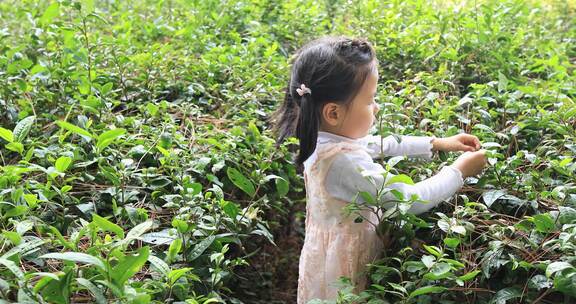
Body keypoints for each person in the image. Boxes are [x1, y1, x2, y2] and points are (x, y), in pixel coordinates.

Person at [271, 36, 487, 303]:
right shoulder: (343, 164)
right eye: (370, 100)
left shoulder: (321, 137)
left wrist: (436, 143)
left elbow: (370, 144)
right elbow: (408, 199)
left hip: (325, 255)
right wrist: (458, 172)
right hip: (347, 272)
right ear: (334, 113)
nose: (377, 107)